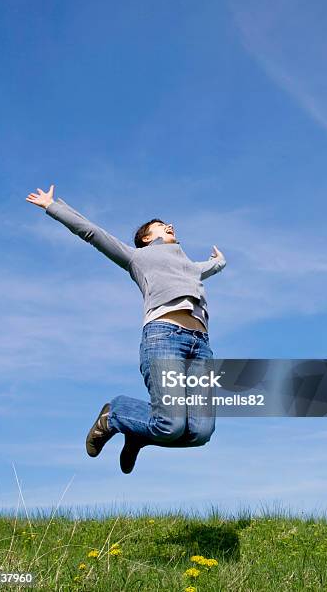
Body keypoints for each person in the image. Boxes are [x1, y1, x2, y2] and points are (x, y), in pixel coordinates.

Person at [26, 184, 226, 474]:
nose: (169, 225)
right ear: (146, 238)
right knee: (171, 425)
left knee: (201, 432)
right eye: (160, 225)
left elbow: (209, 267)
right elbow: (92, 233)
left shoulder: (190, 267)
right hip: (165, 337)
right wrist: (53, 206)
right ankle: (115, 413)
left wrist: (219, 261)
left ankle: (138, 431)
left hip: (201, 345)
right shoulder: (138, 258)